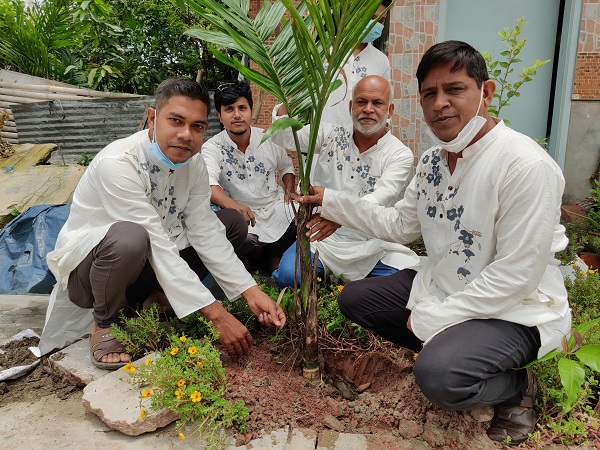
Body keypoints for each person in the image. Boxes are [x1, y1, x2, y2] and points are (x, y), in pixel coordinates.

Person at [295, 41, 571, 444]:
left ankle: (515, 386)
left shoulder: (524, 165)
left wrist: (432, 318)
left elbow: (516, 275)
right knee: (355, 299)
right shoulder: (433, 160)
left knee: (438, 376)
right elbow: (401, 223)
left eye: (454, 89)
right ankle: (457, 347)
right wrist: (333, 202)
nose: (440, 103)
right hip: (446, 284)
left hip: (515, 308)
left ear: (486, 93)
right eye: (429, 93)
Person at [33, 77, 286, 368]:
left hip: (147, 264)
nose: (185, 135)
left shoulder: (194, 165)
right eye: (175, 121)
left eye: (197, 126)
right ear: (153, 118)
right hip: (91, 277)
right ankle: (105, 322)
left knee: (230, 223)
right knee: (130, 236)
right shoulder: (119, 163)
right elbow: (154, 240)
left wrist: (251, 293)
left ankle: (158, 299)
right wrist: (216, 315)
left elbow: (205, 231)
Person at [271, 75, 419, 288]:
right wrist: (295, 92)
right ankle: (336, 277)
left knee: (407, 277)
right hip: (322, 239)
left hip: (370, 244)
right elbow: (282, 135)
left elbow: (379, 198)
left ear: (390, 110)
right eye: (361, 102)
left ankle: (333, 279)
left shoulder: (399, 154)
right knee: (288, 276)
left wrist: (339, 215)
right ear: (351, 106)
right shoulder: (329, 133)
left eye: (377, 103)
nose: (368, 109)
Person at [202, 81, 296, 272]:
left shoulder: (268, 137)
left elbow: (287, 167)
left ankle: (274, 255)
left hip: (272, 205)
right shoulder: (212, 147)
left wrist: (289, 190)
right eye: (229, 109)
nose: (237, 115)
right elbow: (210, 184)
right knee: (243, 235)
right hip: (239, 210)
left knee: (298, 211)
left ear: (250, 111)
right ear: (220, 116)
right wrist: (234, 205)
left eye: (242, 108)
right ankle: (247, 256)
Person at [322, 0, 392, 129]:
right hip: (322, 141)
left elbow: (384, 103)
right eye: (370, 17)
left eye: (380, 21)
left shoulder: (381, 61)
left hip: (364, 142)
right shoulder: (324, 52)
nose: (374, 24)